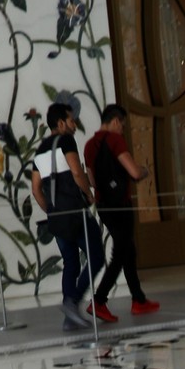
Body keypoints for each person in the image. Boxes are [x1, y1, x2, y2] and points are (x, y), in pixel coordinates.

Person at [84, 105, 155, 320]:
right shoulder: (115, 141)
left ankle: (139, 299)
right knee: (120, 253)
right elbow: (133, 171)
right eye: (122, 125)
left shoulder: (89, 145)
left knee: (127, 249)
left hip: (104, 205)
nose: (122, 130)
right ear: (115, 121)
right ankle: (99, 300)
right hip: (121, 205)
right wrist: (145, 170)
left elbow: (92, 180)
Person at [32, 100, 99, 327]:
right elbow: (77, 172)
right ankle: (74, 301)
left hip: (57, 216)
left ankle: (69, 318)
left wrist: (49, 209)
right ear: (61, 123)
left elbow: (35, 188)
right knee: (97, 255)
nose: (74, 124)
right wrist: (89, 195)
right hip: (75, 211)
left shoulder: (39, 149)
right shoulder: (66, 140)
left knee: (70, 262)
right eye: (71, 120)